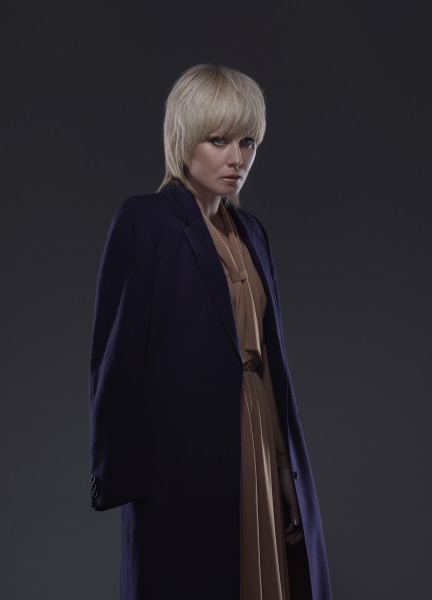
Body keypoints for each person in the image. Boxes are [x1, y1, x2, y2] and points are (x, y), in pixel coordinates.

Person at [89, 64, 332, 600]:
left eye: (248, 142)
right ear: (184, 138)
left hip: (260, 427)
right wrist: (122, 476)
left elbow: (273, 364)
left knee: (266, 572)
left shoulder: (252, 233)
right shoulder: (145, 221)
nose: (237, 158)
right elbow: (117, 358)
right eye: (219, 140)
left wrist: (286, 467)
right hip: (184, 451)